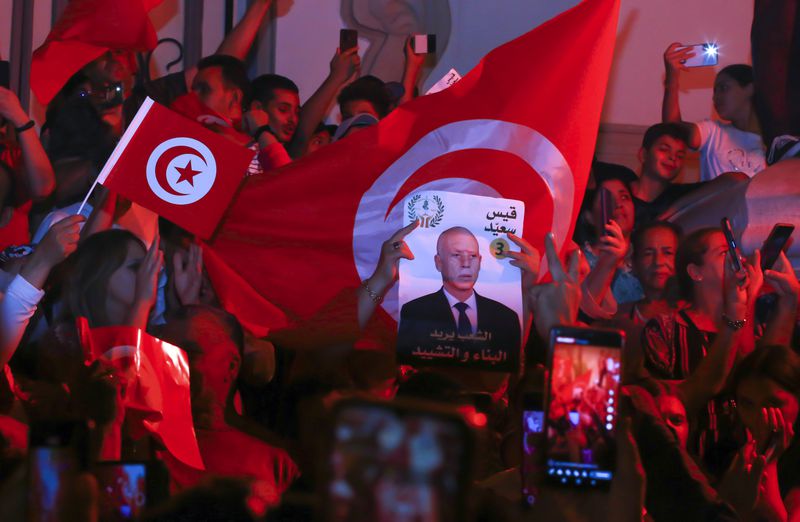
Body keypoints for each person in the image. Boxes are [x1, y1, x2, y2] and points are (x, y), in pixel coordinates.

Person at [156, 305, 299, 505]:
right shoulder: (145, 446)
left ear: (231, 365)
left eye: (187, 352)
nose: (168, 363)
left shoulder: (275, 465)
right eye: (163, 352)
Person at [396, 226, 521, 363]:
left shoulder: (507, 318)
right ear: (439, 263)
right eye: (456, 255)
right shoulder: (414, 312)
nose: (466, 264)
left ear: (479, 262)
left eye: (472, 256)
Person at [719, 345, 800, 520]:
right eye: (747, 404)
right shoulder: (728, 452)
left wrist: (768, 459)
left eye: (773, 404)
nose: (758, 417)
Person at [662, 46, 766, 181]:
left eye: (724, 88)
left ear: (750, 88)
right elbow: (672, 129)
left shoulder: (776, 141)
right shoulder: (713, 133)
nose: (715, 97)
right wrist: (672, 79)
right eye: (714, 91)